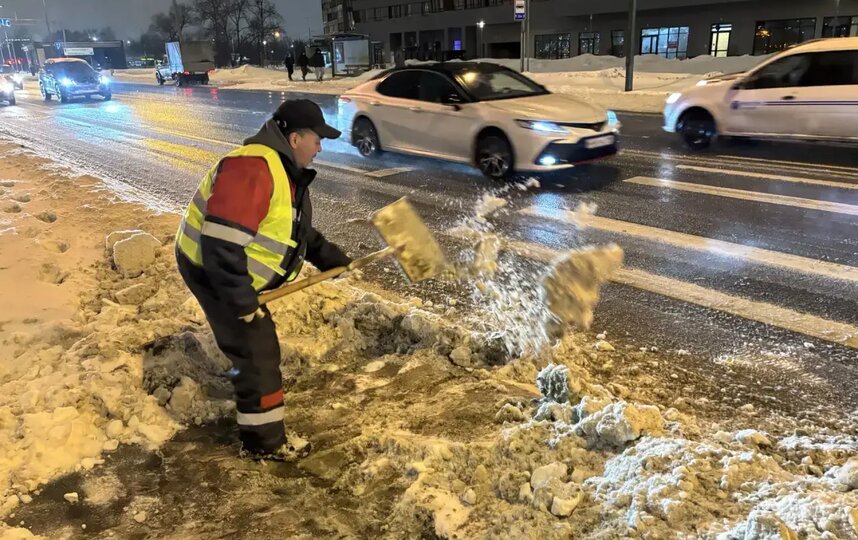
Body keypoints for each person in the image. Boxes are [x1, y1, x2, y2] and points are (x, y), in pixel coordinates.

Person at [175, 99, 351, 460]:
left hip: (228, 270)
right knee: (256, 352)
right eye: (317, 139)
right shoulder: (253, 169)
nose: (321, 147)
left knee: (257, 345)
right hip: (212, 270)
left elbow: (289, 226)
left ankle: (260, 425)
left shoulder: (282, 168)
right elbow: (220, 245)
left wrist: (328, 256)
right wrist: (241, 303)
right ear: (295, 137)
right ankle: (264, 444)